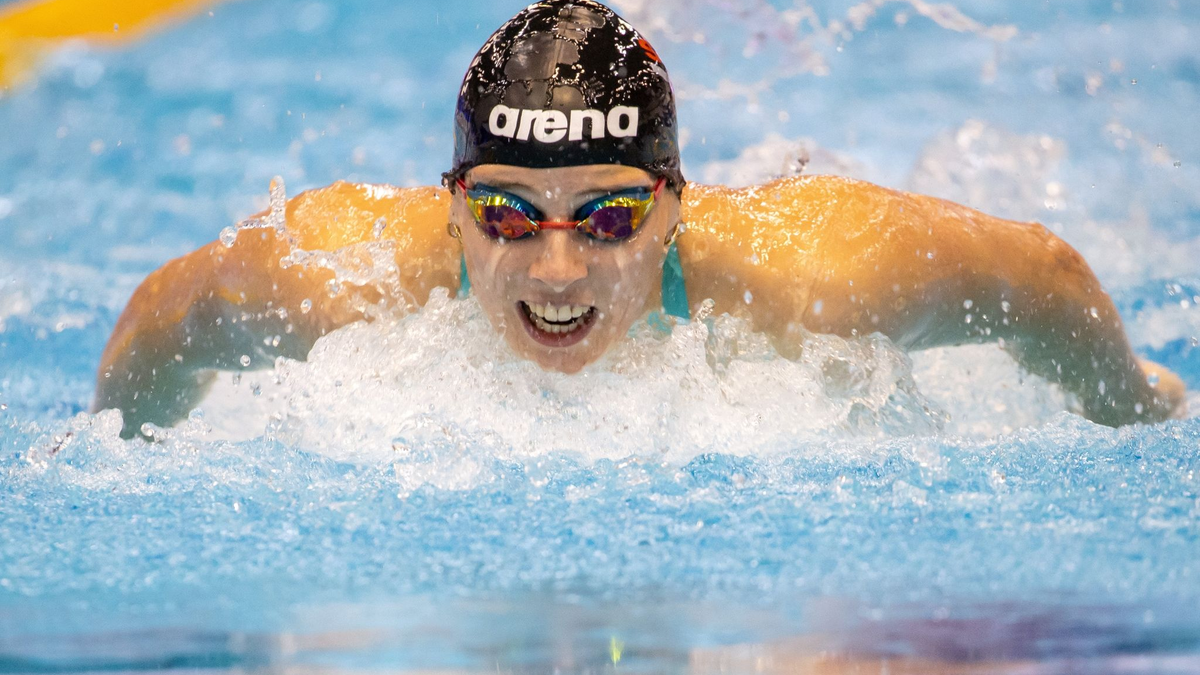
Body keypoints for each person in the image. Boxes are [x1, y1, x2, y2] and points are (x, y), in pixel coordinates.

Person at [92, 0, 1185, 437]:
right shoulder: (338, 274)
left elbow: (1042, 274)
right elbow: (160, 319)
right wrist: (122, 451)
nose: (558, 271)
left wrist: (1131, 406)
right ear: (452, 206)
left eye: (609, 217)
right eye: (506, 216)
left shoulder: (820, 277)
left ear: (673, 209)